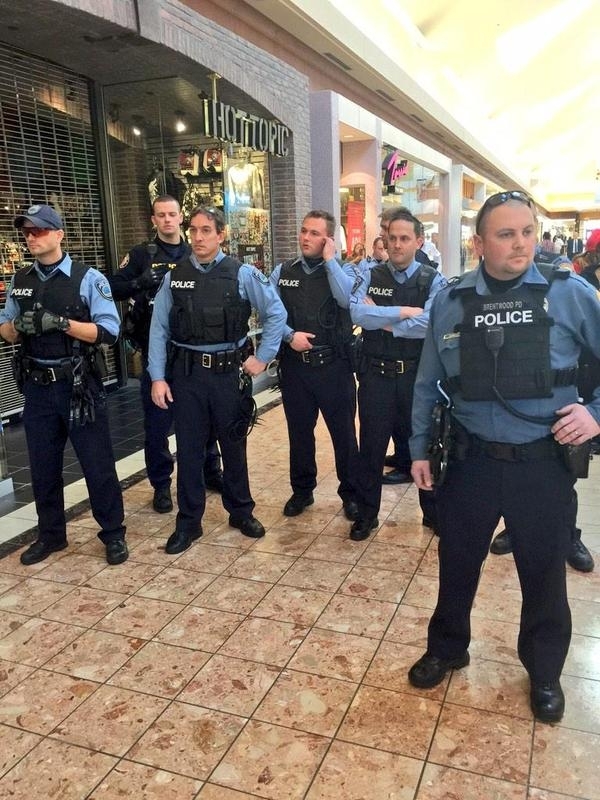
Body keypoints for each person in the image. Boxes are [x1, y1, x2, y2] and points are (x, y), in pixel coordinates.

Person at [407, 190, 600, 724]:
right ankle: (448, 647)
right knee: (457, 563)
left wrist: (596, 414)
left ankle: (544, 671)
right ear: (479, 243)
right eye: (505, 234)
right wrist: (418, 449)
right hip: (470, 462)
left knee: (543, 573)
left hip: (543, 464)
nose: (519, 244)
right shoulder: (450, 300)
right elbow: (427, 382)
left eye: (527, 232)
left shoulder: (569, 295)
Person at [148, 206, 286, 554]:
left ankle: (240, 512)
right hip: (188, 376)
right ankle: (189, 522)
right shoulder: (173, 277)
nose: (197, 237)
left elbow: (275, 313)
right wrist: (157, 377)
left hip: (227, 374)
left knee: (234, 446)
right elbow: (158, 329)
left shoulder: (241, 274)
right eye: (193, 230)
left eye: (206, 230)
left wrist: (264, 356)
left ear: (221, 235)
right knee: (190, 451)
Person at [0, 204, 128, 566]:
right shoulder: (20, 279)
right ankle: (51, 535)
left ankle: (113, 534)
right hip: (38, 386)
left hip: (77, 387)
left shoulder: (89, 279)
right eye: (27, 232)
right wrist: (18, 327)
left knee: (97, 464)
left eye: (39, 230)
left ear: (59, 234)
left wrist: (60, 323)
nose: (31, 237)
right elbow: (5, 327)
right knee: (42, 465)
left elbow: (109, 331)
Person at [108, 195, 223, 515]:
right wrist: (139, 282)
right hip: (156, 355)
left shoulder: (194, 251)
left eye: (173, 214)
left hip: (192, 352)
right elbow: (110, 287)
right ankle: (161, 485)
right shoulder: (141, 255)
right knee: (157, 426)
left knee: (206, 420)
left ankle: (211, 471)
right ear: (154, 219)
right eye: (162, 215)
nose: (168, 220)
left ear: (181, 217)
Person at [348, 208, 446, 540]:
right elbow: (358, 312)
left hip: (417, 379)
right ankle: (366, 514)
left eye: (405, 238)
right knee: (371, 450)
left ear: (419, 241)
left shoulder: (433, 279)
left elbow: (432, 322)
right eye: (392, 238)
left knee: (423, 446)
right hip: (376, 376)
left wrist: (384, 320)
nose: (397, 245)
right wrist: (403, 313)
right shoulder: (368, 274)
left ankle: (432, 513)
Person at [270, 210, 360, 521]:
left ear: (328, 239)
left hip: (334, 366)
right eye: (304, 231)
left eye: (314, 233)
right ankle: (302, 490)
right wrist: (289, 335)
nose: (306, 238)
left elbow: (347, 299)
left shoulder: (346, 271)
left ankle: (351, 493)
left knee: (345, 435)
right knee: (300, 434)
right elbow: (272, 316)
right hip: (297, 368)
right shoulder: (283, 271)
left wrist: (331, 260)